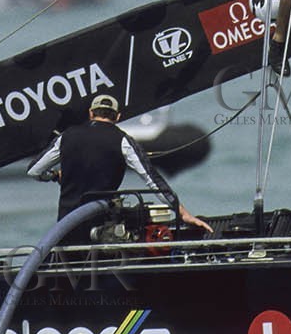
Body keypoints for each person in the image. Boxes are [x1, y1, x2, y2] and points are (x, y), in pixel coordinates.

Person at [27, 93, 212, 241]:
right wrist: (183, 214)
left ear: (91, 113)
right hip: (101, 230)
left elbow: (34, 171)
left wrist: (54, 176)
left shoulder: (66, 136)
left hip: (66, 231)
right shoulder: (123, 140)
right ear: (117, 117)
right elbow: (151, 179)